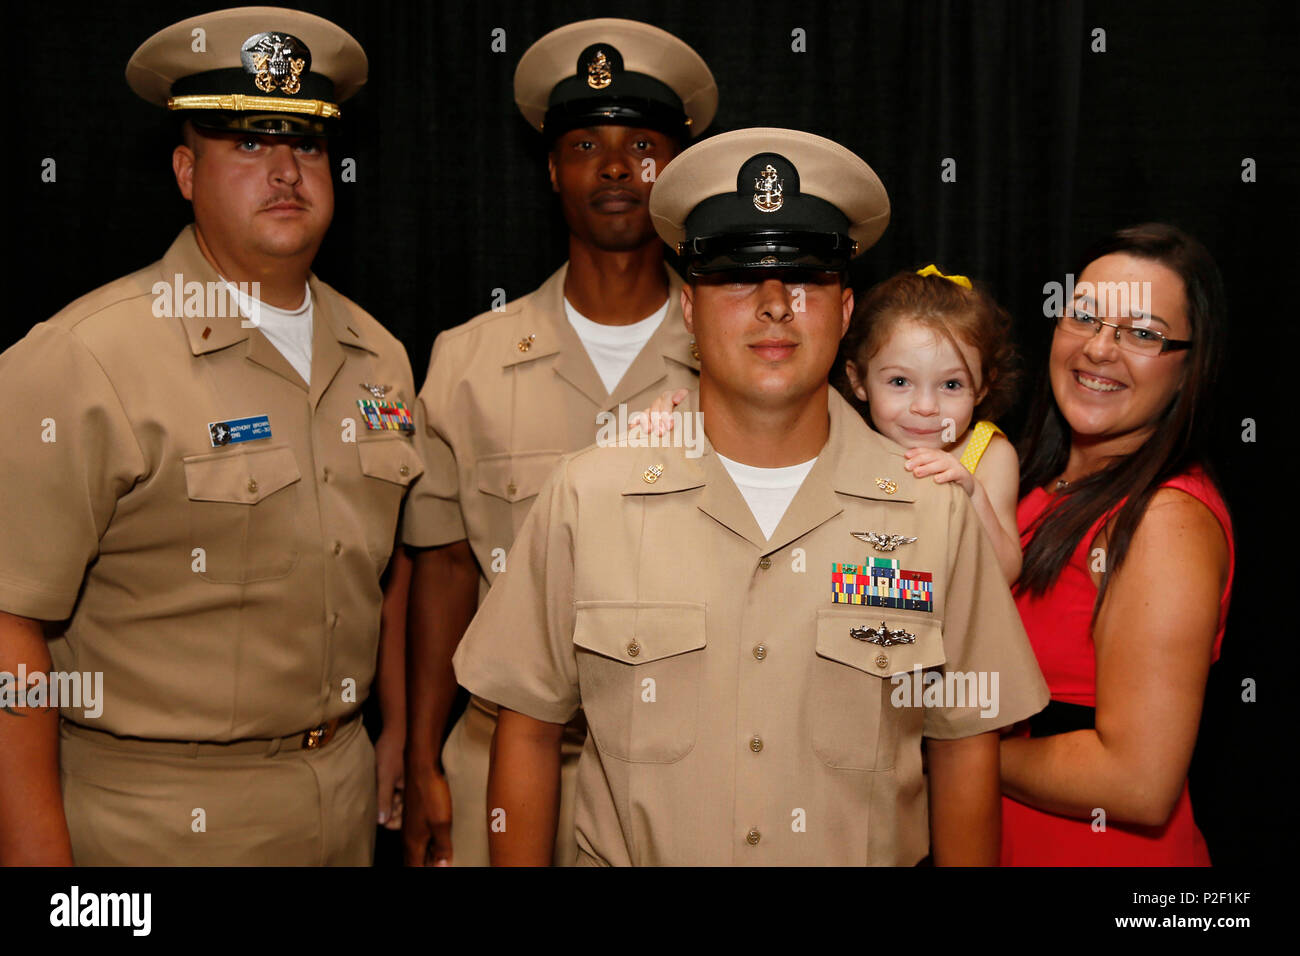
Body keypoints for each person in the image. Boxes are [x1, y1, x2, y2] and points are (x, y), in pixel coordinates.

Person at [452, 127, 1050, 866]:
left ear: (845, 308)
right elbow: (528, 727)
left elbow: (964, 746)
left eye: (805, 276)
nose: (774, 303)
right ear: (688, 312)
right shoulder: (588, 496)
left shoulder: (933, 512)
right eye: (737, 275)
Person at [0, 7, 419, 865]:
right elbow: (8, 628)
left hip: (336, 797)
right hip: (153, 819)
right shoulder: (84, 359)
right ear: (187, 172)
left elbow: (392, 563)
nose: (283, 171)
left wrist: (396, 741)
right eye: (247, 143)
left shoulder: (379, 354)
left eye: (304, 143)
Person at [400, 18, 715, 867]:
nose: (616, 167)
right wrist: (419, 755)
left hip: (684, 775)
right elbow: (442, 569)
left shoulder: (741, 362)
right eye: (584, 143)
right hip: (493, 756)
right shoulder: (467, 362)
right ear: (550, 169)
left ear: (677, 171)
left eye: (642, 145)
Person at [1000, 223, 1234, 865]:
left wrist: (949, 748)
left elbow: (1137, 783)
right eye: (1084, 317)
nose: (1100, 349)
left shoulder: (1163, 520)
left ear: (1191, 367)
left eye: (1143, 334)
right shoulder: (1030, 484)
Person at [839, 265, 1022, 583]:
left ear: (981, 387)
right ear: (859, 381)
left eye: (951, 385)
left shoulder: (989, 455)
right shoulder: (845, 443)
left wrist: (971, 492)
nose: (925, 407)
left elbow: (1005, 573)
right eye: (899, 381)